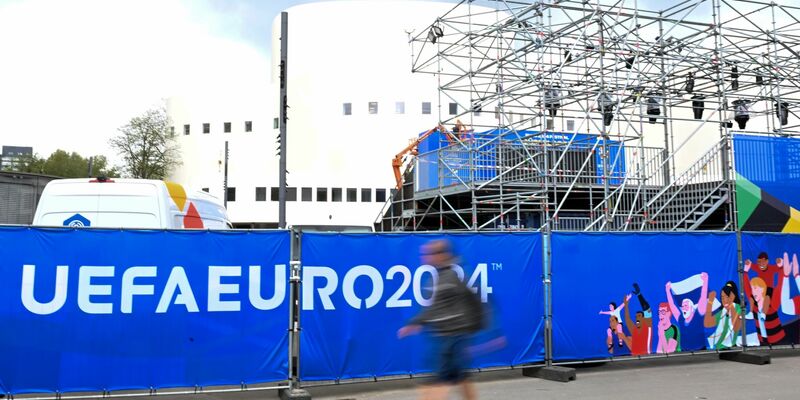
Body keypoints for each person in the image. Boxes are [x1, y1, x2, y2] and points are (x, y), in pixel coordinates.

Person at [398, 239, 482, 400]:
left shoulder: (447, 279)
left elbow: (435, 309)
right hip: (452, 336)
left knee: (440, 380)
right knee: (460, 376)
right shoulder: (445, 276)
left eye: (428, 254)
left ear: (442, 255)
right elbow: (436, 309)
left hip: (451, 338)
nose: (424, 258)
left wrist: (414, 323)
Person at [665, 272, 709, 351]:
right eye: (683, 306)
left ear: (692, 308)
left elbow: (703, 297)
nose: (684, 308)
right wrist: (668, 291)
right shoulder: (681, 318)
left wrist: (705, 281)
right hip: (685, 352)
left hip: (700, 350)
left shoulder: (698, 315)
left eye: (686, 305)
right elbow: (672, 306)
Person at [704, 281, 742, 349]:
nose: (725, 300)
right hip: (719, 348)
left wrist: (731, 306)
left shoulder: (739, 308)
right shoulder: (722, 312)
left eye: (727, 297)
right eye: (722, 297)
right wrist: (710, 302)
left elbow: (737, 327)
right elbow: (707, 323)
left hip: (735, 348)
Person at [622, 284, 652, 356]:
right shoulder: (635, 329)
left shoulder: (647, 326)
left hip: (645, 357)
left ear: (644, 318)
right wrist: (626, 305)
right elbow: (628, 319)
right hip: (634, 360)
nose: (637, 318)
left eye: (639, 316)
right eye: (636, 316)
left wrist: (639, 295)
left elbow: (646, 307)